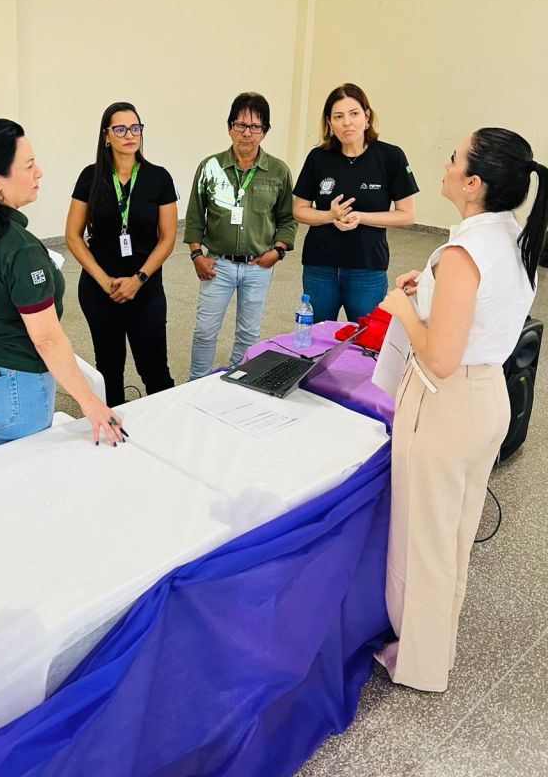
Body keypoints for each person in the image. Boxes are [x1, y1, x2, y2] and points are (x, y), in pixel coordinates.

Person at [376, 127, 548, 692]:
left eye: (454, 158)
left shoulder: (464, 252)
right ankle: (436, 646)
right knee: (452, 535)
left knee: (425, 541)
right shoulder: (510, 237)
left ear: (473, 183)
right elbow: (472, 313)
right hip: (486, 402)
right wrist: (425, 288)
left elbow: (441, 358)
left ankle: (421, 665)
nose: (446, 164)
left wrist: (404, 308)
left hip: (445, 405)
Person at [0, 119, 125, 453]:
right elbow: (46, 338)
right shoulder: (20, 248)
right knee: (17, 483)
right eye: (29, 166)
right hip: (6, 383)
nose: (39, 172)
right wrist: (91, 403)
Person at [65, 102, 178, 407]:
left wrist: (139, 279)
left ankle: (165, 432)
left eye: (135, 127)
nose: (130, 134)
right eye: (121, 129)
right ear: (106, 136)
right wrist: (103, 280)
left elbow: (168, 238)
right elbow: (72, 236)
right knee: (109, 370)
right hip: (101, 288)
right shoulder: (90, 177)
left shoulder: (159, 178)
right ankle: (116, 437)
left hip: (146, 285)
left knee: (155, 370)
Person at [184, 92, 297, 379]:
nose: (247, 133)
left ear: (265, 131)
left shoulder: (279, 171)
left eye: (255, 127)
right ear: (229, 126)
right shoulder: (210, 166)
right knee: (205, 331)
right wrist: (197, 255)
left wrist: (278, 251)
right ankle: (196, 383)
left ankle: (238, 381)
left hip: (258, 265)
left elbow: (287, 219)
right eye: (240, 125)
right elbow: (196, 216)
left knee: (249, 334)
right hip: (217, 265)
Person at [293, 83, 418, 322]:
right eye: (338, 117)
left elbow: (407, 215)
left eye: (354, 114)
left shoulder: (391, 157)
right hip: (320, 265)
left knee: (366, 341)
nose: (347, 122)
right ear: (329, 123)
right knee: (315, 339)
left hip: (367, 267)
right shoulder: (318, 158)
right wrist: (329, 216)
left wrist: (360, 217)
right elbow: (299, 210)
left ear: (367, 116)